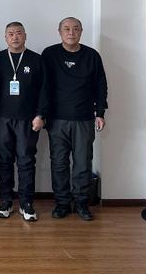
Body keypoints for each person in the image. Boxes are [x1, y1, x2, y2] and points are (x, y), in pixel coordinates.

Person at [42, 17, 108, 221]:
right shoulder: (49, 54)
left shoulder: (92, 56)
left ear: (81, 31)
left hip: (84, 119)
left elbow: (101, 86)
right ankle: (62, 203)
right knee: (59, 163)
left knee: (82, 163)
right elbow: (43, 86)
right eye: (66, 29)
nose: (71, 32)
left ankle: (81, 203)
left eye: (75, 29)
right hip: (56, 119)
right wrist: (42, 113)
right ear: (59, 32)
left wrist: (100, 113)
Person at [0, 21, 47, 221]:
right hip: (2, 118)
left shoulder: (36, 59)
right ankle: (5, 201)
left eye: (18, 33)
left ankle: (26, 203)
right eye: (11, 34)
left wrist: (40, 115)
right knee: (4, 160)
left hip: (27, 119)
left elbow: (44, 89)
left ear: (25, 35)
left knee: (26, 161)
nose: (15, 37)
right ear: (5, 37)